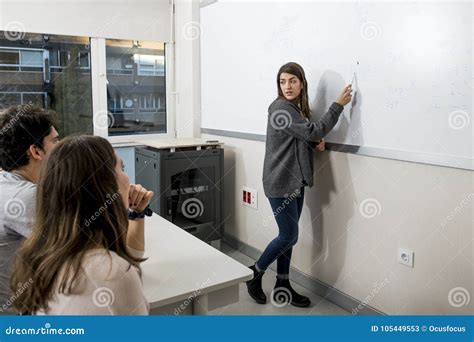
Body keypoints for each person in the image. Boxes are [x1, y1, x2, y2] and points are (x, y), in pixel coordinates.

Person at [246, 62, 353, 307]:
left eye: (292, 81)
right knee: (289, 236)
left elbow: (298, 138)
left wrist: (314, 144)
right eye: (283, 82)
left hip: (294, 182)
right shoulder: (280, 108)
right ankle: (255, 272)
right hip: (279, 182)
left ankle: (282, 284)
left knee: (288, 237)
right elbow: (314, 131)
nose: (287, 86)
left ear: (302, 83)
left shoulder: (296, 110)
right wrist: (338, 105)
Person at [10, 135, 153, 315]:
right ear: (104, 186)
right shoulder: (114, 275)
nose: (128, 179)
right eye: (122, 168)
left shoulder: (41, 254)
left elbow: (131, 255)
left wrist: (137, 214)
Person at [0, 105, 60, 314]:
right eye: (55, 141)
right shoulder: (26, 196)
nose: (60, 147)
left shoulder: (6, 181)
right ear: (35, 151)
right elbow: (79, 248)